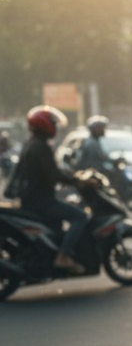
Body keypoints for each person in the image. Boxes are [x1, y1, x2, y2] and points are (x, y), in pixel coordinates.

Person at [13, 106, 89, 274]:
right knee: (80, 216)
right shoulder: (40, 147)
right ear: (44, 125)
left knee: (59, 222)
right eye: (53, 124)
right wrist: (76, 181)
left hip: (33, 198)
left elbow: (51, 171)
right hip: (42, 201)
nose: (55, 128)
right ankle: (63, 256)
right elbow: (53, 174)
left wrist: (70, 176)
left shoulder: (32, 144)